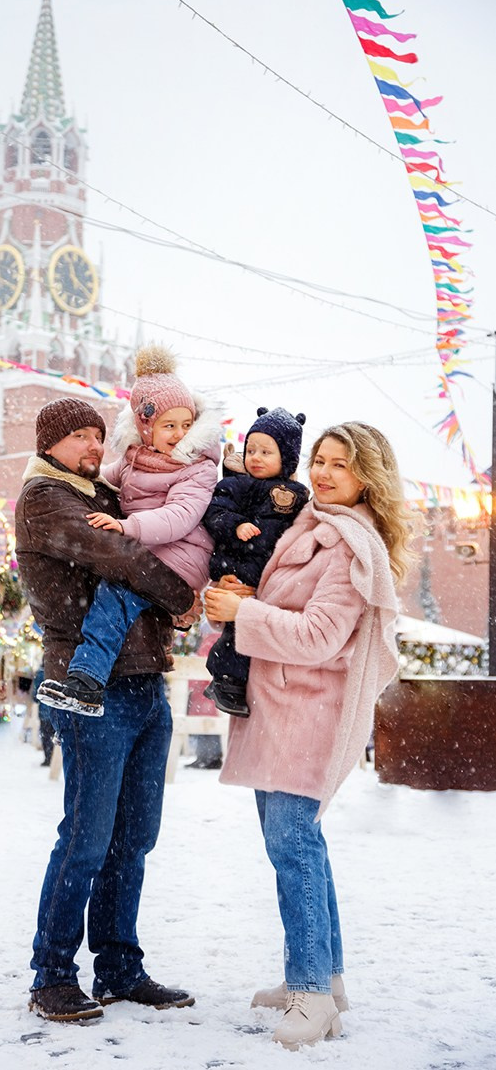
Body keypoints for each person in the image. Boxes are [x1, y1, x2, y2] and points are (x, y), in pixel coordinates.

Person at [203, 422, 415, 1051]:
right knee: (301, 847)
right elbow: (288, 606)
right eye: (319, 460)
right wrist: (247, 594)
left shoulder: (352, 547)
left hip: (307, 712)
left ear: (366, 478)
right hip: (280, 707)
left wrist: (245, 613)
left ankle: (313, 995)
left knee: (292, 848)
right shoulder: (310, 525)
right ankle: (328, 978)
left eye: (340, 466)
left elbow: (323, 635)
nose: (322, 474)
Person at [16, 396, 198, 1023]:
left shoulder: (104, 498)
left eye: (99, 435)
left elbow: (163, 536)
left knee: (134, 839)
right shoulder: (45, 499)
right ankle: (52, 975)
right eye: (79, 438)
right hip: (90, 686)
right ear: (50, 443)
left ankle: (119, 968)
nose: (94, 447)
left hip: (146, 683)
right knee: (87, 839)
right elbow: (121, 559)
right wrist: (180, 592)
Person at [37, 346, 221, 716]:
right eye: (169, 425)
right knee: (120, 597)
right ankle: (90, 677)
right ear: (145, 426)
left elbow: (180, 516)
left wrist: (126, 526)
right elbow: (103, 483)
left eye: (187, 424)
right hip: (153, 550)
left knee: (116, 595)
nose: (180, 433)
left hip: (182, 555)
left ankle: (87, 680)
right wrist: (69, 483)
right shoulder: (137, 457)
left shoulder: (196, 466)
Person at [200, 407, 309, 715]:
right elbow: (214, 512)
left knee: (255, 630)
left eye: (266, 451)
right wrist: (235, 525)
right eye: (251, 450)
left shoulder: (298, 494)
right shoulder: (236, 484)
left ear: (287, 459)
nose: (256, 457)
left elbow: (301, 527)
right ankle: (226, 682)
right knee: (237, 630)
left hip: (270, 574)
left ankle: (236, 682)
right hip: (236, 564)